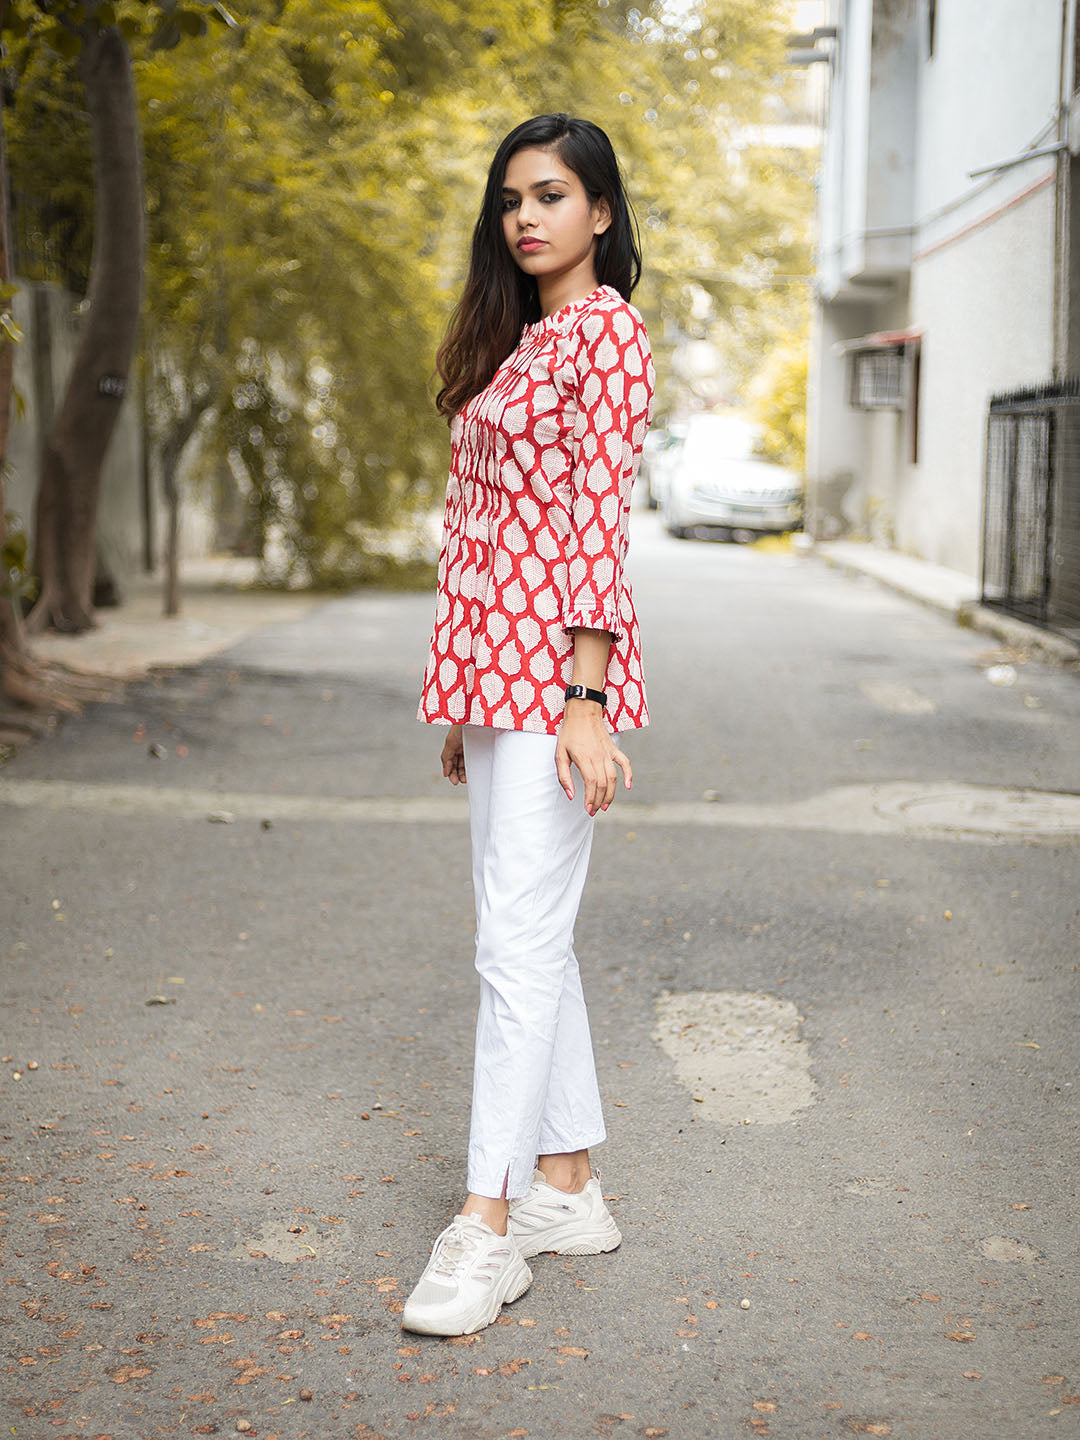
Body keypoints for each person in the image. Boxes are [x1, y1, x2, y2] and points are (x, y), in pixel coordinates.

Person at [404, 112, 654, 1338]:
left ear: (600, 213)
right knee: (528, 938)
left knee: (512, 945)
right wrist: (467, 701)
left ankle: (486, 1227)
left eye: (551, 195)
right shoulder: (525, 342)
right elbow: (490, 530)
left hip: (556, 677)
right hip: (494, 682)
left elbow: (596, 528)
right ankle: (567, 1188)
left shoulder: (604, 333)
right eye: (512, 199)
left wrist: (584, 696)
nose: (527, 217)